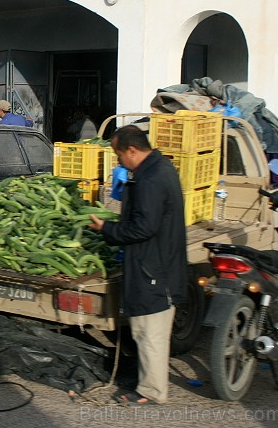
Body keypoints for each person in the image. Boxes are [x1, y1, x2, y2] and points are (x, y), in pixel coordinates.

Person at [88, 125, 187, 405]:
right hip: (156, 261)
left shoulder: (151, 179)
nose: (119, 162)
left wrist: (107, 229)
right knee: (147, 328)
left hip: (154, 266)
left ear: (132, 150)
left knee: (150, 330)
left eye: (119, 156)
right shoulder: (157, 169)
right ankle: (147, 382)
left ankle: (151, 391)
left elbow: (143, 228)